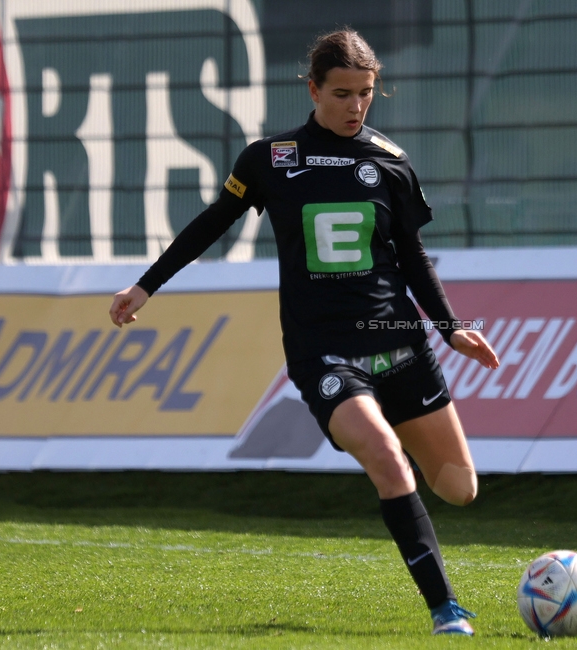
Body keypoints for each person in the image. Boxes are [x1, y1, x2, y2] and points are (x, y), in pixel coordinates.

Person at [109, 28, 499, 636]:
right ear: (313, 88)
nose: (355, 106)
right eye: (341, 93)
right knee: (388, 463)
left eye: (366, 93)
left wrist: (449, 329)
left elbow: (414, 258)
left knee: (460, 490)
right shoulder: (271, 159)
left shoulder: (390, 163)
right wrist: (145, 285)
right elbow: (212, 222)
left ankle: (392, 432)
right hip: (324, 351)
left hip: (400, 345)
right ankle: (446, 608)